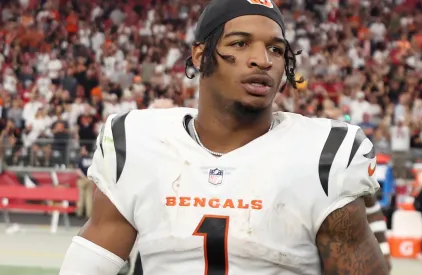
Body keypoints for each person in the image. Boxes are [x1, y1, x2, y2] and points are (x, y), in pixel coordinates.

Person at [58, 0, 389, 274]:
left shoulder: (322, 156)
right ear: (201, 55)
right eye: (240, 43)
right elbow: (88, 266)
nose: (263, 60)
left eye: (275, 49)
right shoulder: (140, 142)